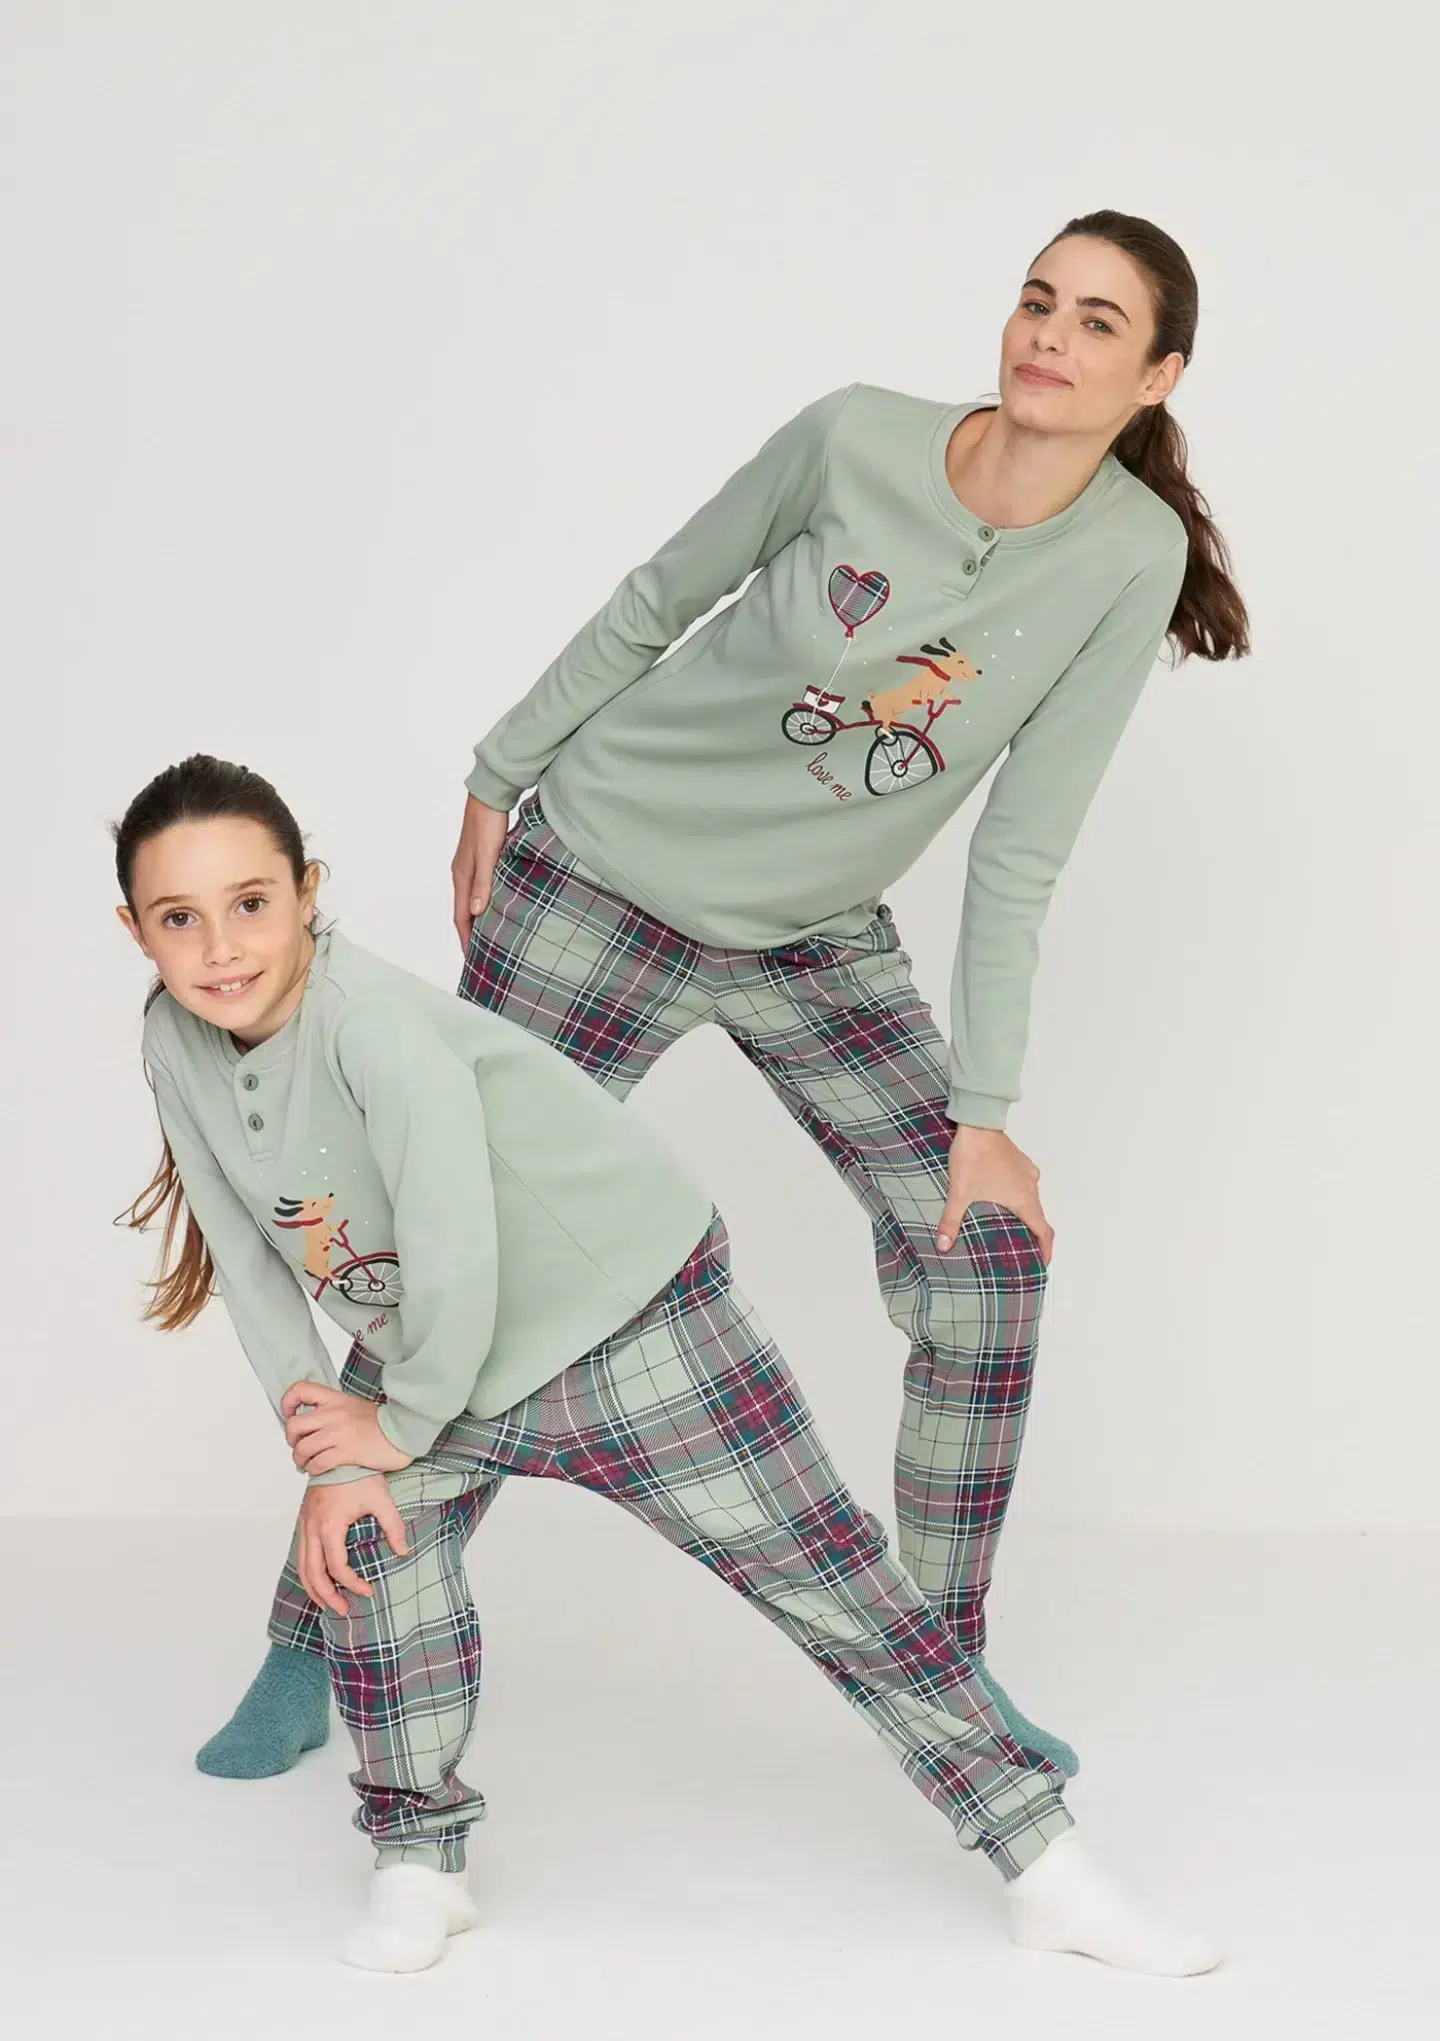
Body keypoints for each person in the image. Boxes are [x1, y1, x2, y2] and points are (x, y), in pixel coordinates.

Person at [208, 205, 1248, 1790]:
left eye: (1100, 321)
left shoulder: (1129, 555)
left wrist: (984, 1117)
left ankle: (942, 1673)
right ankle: (317, 1638)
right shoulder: (854, 437)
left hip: (811, 934)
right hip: (600, 874)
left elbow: (1023, 847)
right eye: (1039, 298)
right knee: (454, 1264)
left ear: (1158, 376)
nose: (1051, 333)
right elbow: (661, 595)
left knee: (984, 1260)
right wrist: (500, 768)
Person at [116, 754, 1220, 1976]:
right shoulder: (173, 1040)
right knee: (370, 1556)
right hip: (441, 1357)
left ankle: (1048, 1867)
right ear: (136, 931)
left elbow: (455, 1239)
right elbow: (244, 1257)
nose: (221, 946)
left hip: (627, 1319)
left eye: (250, 903)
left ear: (308, 891)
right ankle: (418, 1864)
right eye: (180, 918)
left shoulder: (372, 1026)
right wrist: (334, 1455)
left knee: (830, 1581)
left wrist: (400, 1421)